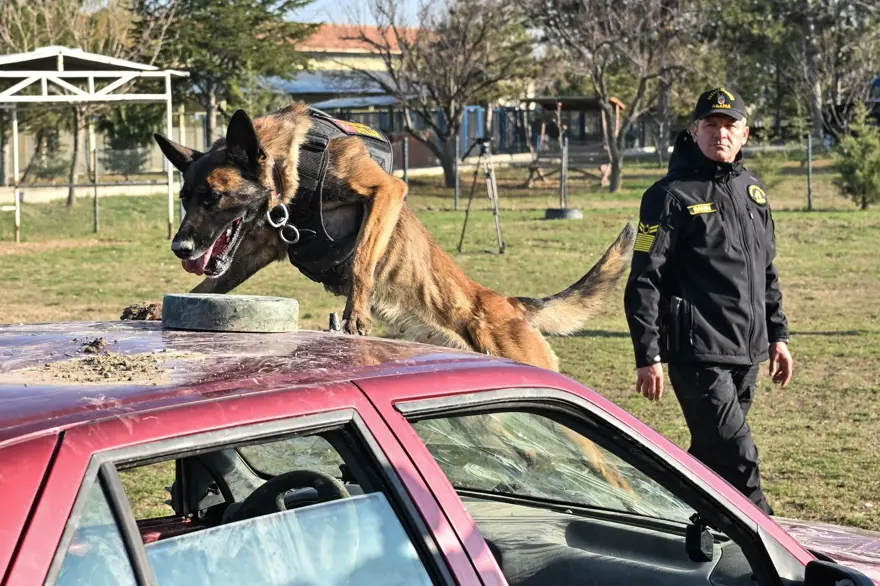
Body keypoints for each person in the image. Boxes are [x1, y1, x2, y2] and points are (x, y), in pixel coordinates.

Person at [623, 87, 794, 515]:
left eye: (729, 125)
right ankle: (778, 549)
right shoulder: (669, 195)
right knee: (739, 456)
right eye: (711, 125)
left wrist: (778, 335)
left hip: (747, 351)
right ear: (694, 131)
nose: (720, 133)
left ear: (745, 134)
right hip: (697, 353)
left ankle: (671, 520)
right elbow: (645, 278)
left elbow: (765, 271)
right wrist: (649, 354)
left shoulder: (753, 191)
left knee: (711, 461)